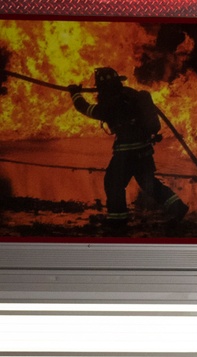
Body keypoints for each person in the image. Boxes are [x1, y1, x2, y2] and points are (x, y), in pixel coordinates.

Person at [68, 67, 188, 233]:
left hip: (126, 154)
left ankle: (118, 220)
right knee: (149, 184)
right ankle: (177, 207)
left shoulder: (111, 103)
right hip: (144, 151)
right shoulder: (132, 95)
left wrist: (74, 94)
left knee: (113, 182)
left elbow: (88, 109)